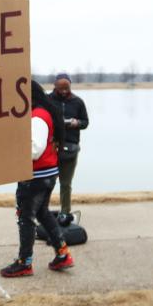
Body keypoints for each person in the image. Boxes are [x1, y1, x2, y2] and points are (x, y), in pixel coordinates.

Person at [0, 81, 76, 277]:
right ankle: (63, 254)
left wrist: (10, 150)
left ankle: (24, 263)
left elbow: (34, 150)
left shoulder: (38, 116)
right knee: (42, 213)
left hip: (36, 176)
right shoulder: (43, 112)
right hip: (47, 173)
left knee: (26, 217)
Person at [48, 73, 89, 224]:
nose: (64, 91)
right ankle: (42, 211)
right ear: (55, 86)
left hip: (70, 147)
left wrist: (76, 123)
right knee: (47, 181)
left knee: (66, 183)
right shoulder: (47, 100)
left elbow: (86, 122)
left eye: (67, 88)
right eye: (61, 88)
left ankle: (65, 212)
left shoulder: (78, 102)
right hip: (50, 147)